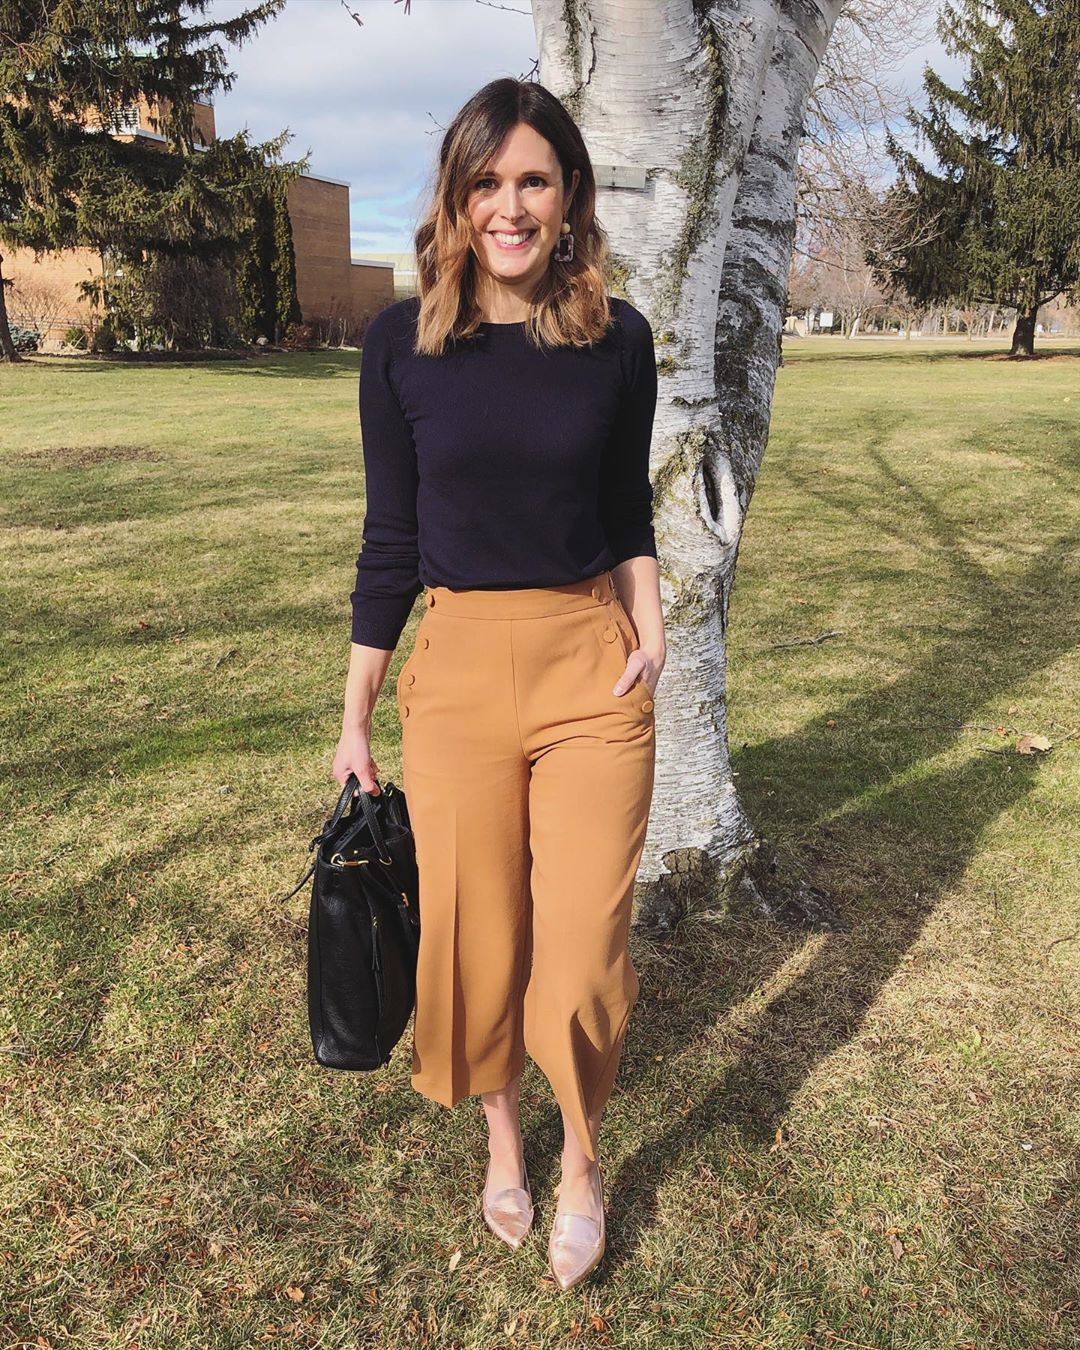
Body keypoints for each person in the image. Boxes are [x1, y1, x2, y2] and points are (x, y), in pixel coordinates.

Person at [332, 76, 665, 1291]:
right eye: (488, 182)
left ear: (568, 195)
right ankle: (503, 1145)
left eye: (533, 179)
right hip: (462, 672)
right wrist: (358, 711)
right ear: (457, 199)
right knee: (478, 938)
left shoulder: (615, 337)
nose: (510, 206)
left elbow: (626, 503)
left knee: (579, 949)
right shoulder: (401, 345)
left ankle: (583, 1158)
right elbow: (391, 541)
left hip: (589, 664)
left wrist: (652, 616)